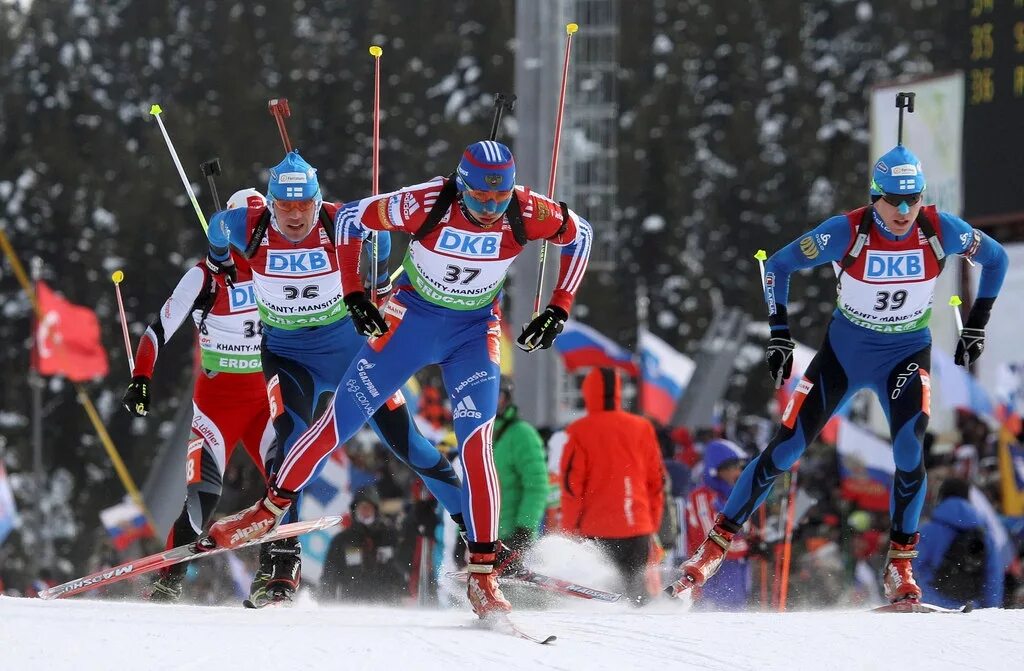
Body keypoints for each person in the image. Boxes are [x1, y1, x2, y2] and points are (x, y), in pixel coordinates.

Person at [202, 140, 593, 619]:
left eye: (499, 198)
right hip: (405, 325)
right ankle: (269, 515)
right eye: (479, 198)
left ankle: (483, 570)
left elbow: (581, 234)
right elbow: (356, 220)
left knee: (475, 443)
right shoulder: (428, 200)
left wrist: (559, 306)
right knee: (330, 428)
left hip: (472, 333)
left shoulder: (528, 210)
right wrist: (358, 293)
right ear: (460, 184)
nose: (490, 209)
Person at [673, 145, 1009, 606]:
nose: (905, 210)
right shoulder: (847, 231)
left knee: (911, 448)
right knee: (787, 447)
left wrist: (976, 324)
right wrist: (779, 334)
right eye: (894, 199)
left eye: (913, 198)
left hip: (905, 353)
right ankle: (711, 551)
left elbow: (997, 260)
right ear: (875, 197)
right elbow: (779, 265)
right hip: (845, 355)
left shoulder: (940, 229)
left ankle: (900, 565)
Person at [202, 151, 464, 607]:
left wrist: (378, 281)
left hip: (353, 357)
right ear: (270, 202)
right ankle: (282, 561)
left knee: (412, 446)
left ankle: (479, 535)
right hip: (288, 358)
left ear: (316, 198)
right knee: (289, 444)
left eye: (304, 203)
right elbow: (216, 229)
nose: (296, 214)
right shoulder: (248, 224)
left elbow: (380, 241)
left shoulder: (338, 221)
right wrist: (220, 263)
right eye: (285, 204)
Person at [121, 188, 275, 601]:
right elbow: (158, 329)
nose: (256, 235)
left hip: (264, 401)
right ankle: (168, 580)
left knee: (283, 485)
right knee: (202, 499)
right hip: (217, 406)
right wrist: (141, 378)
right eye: (247, 226)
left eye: (261, 225)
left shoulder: (277, 265)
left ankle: (277, 574)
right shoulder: (203, 276)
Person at [559, 367, 666, 605]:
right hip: (637, 529)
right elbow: (656, 481)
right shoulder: (642, 427)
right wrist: (651, 522)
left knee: (599, 601)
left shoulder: (580, 430)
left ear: (587, 393)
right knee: (638, 599)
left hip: (596, 531)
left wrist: (569, 530)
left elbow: (572, 487)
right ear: (618, 392)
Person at [914, 477, 1004, 609]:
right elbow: (993, 578)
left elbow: (916, 568)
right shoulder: (985, 535)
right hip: (971, 610)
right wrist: (990, 610)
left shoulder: (928, 530)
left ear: (941, 496)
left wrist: (929, 598)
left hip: (932, 608)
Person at [685, 439, 750, 610]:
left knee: (738, 623)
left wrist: (758, 540)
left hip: (735, 573)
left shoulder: (730, 495)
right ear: (718, 470)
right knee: (715, 623)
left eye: (740, 467)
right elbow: (713, 539)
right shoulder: (702, 496)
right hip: (712, 574)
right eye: (733, 467)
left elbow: (743, 530)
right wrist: (749, 547)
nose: (738, 471)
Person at [492, 376, 548, 569]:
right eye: (487, 394)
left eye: (497, 395)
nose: (492, 401)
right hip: (484, 537)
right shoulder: (478, 436)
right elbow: (472, 489)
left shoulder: (522, 434)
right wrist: (462, 533)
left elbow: (537, 486)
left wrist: (524, 529)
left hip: (514, 536)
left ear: (507, 399)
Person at [320, 488, 405, 603]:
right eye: (362, 507)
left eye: (368, 507)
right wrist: (326, 602)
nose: (365, 511)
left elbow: (401, 568)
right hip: (352, 606)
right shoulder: (342, 540)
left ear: (376, 510)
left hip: (387, 606)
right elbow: (329, 574)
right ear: (355, 510)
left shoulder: (390, 537)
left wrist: (404, 596)